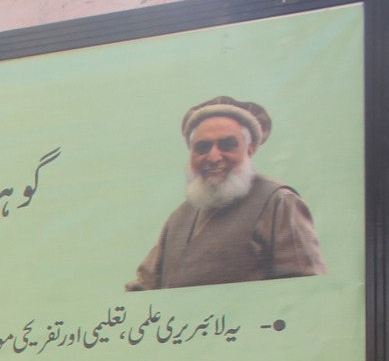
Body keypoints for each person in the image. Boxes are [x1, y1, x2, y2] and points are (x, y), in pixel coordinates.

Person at [127, 95, 325, 291]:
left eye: (226, 145)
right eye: (203, 148)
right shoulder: (179, 217)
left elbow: (305, 290)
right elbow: (146, 285)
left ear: (250, 149)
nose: (213, 157)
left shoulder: (278, 201)